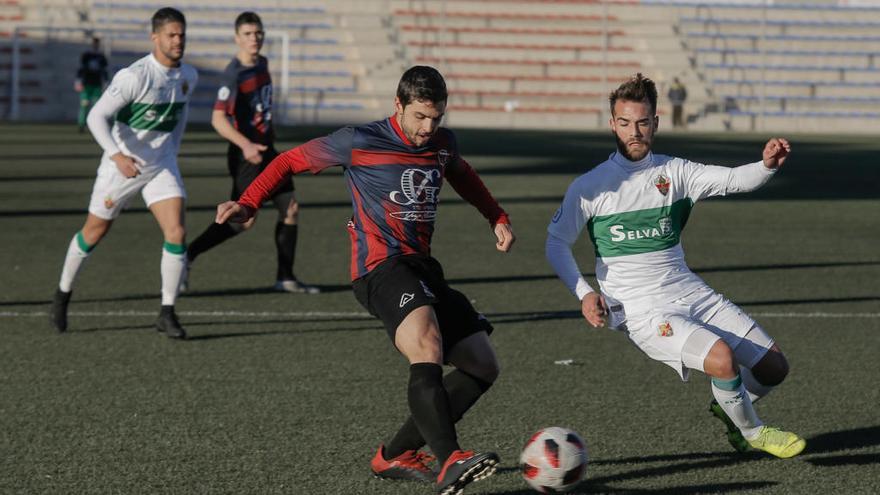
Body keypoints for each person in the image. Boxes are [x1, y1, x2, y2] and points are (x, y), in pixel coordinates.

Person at [215, 66, 515, 494]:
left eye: (437, 118)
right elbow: (287, 161)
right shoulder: (358, 141)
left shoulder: (442, 143)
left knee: (482, 362)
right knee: (426, 343)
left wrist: (495, 216)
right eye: (419, 117)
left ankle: (394, 454)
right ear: (398, 106)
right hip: (379, 268)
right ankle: (450, 459)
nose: (428, 128)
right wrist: (249, 203)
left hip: (423, 266)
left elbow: (461, 173)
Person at [545, 73, 806, 459]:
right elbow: (556, 243)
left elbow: (735, 179)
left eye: (643, 122)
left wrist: (766, 165)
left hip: (689, 290)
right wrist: (585, 294)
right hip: (642, 309)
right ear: (612, 124)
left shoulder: (676, 172)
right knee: (722, 359)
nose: (635, 131)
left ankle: (731, 406)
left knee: (773, 368)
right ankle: (751, 432)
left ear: (655, 123)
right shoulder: (590, 186)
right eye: (625, 122)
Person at [50, 7, 197, 339]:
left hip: (161, 165)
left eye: (181, 34)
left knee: (176, 231)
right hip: (122, 168)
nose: (178, 40)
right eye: (171, 35)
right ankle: (62, 294)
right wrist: (117, 156)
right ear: (155, 37)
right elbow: (95, 117)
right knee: (94, 232)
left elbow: (181, 115)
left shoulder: (189, 75)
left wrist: (173, 150)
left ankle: (167, 312)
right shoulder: (135, 76)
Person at [181, 11, 318, 294]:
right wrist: (245, 144)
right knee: (244, 220)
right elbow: (217, 120)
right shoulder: (233, 75)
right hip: (247, 155)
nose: (254, 38)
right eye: (247, 34)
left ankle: (286, 277)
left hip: (268, 150)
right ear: (236, 38)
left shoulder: (263, 63)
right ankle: (187, 255)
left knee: (289, 207)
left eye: (258, 33)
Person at [75, 37, 109, 132]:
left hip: (97, 85)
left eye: (97, 44)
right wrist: (78, 82)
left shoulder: (101, 57)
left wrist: (105, 83)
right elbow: (81, 69)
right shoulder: (86, 55)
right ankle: (81, 125)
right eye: (94, 44)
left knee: (96, 107)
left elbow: (104, 71)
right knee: (84, 104)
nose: (95, 45)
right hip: (86, 85)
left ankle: (95, 126)